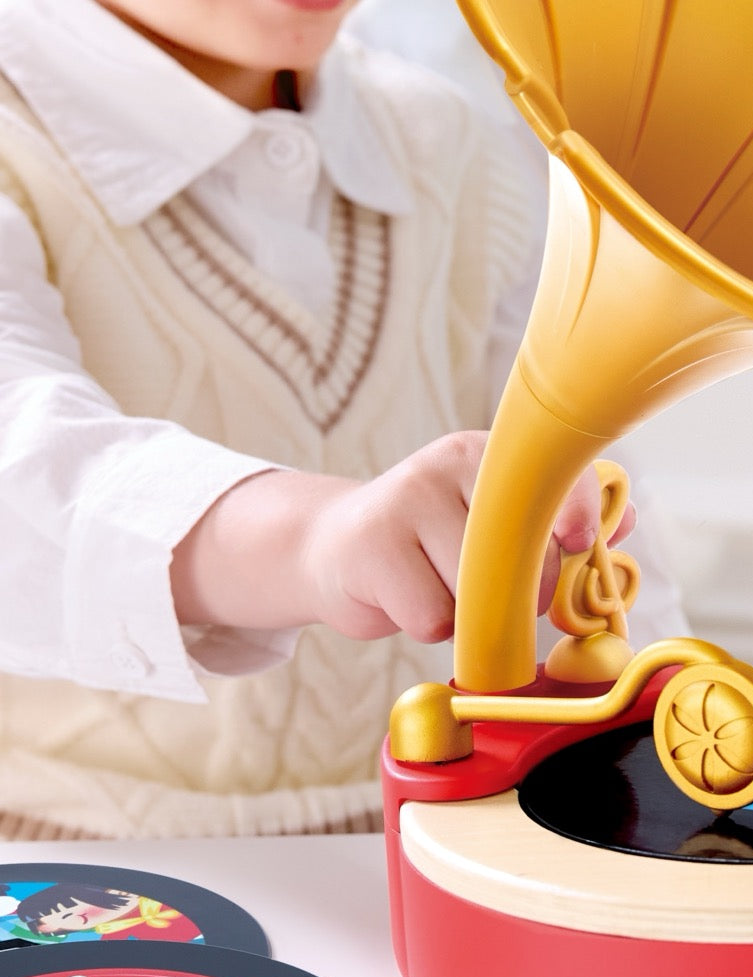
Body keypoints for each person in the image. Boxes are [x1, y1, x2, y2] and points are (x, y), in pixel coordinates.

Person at [0, 0, 687, 840]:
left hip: (446, 831)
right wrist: (318, 539)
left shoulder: (446, 136)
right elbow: (20, 461)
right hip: (76, 864)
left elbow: (590, 514)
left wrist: (663, 758)